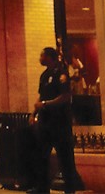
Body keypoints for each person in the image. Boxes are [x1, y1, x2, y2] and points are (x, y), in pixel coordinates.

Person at [30, 46, 81, 194]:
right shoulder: (44, 75)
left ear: (49, 57)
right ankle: (42, 188)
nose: (40, 58)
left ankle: (70, 189)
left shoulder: (61, 74)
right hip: (45, 123)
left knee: (65, 158)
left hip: (60, 123)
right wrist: (34, 113)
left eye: (42, 55)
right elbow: (42, 96)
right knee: (41, 156)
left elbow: (65, 96)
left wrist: (46, 105)